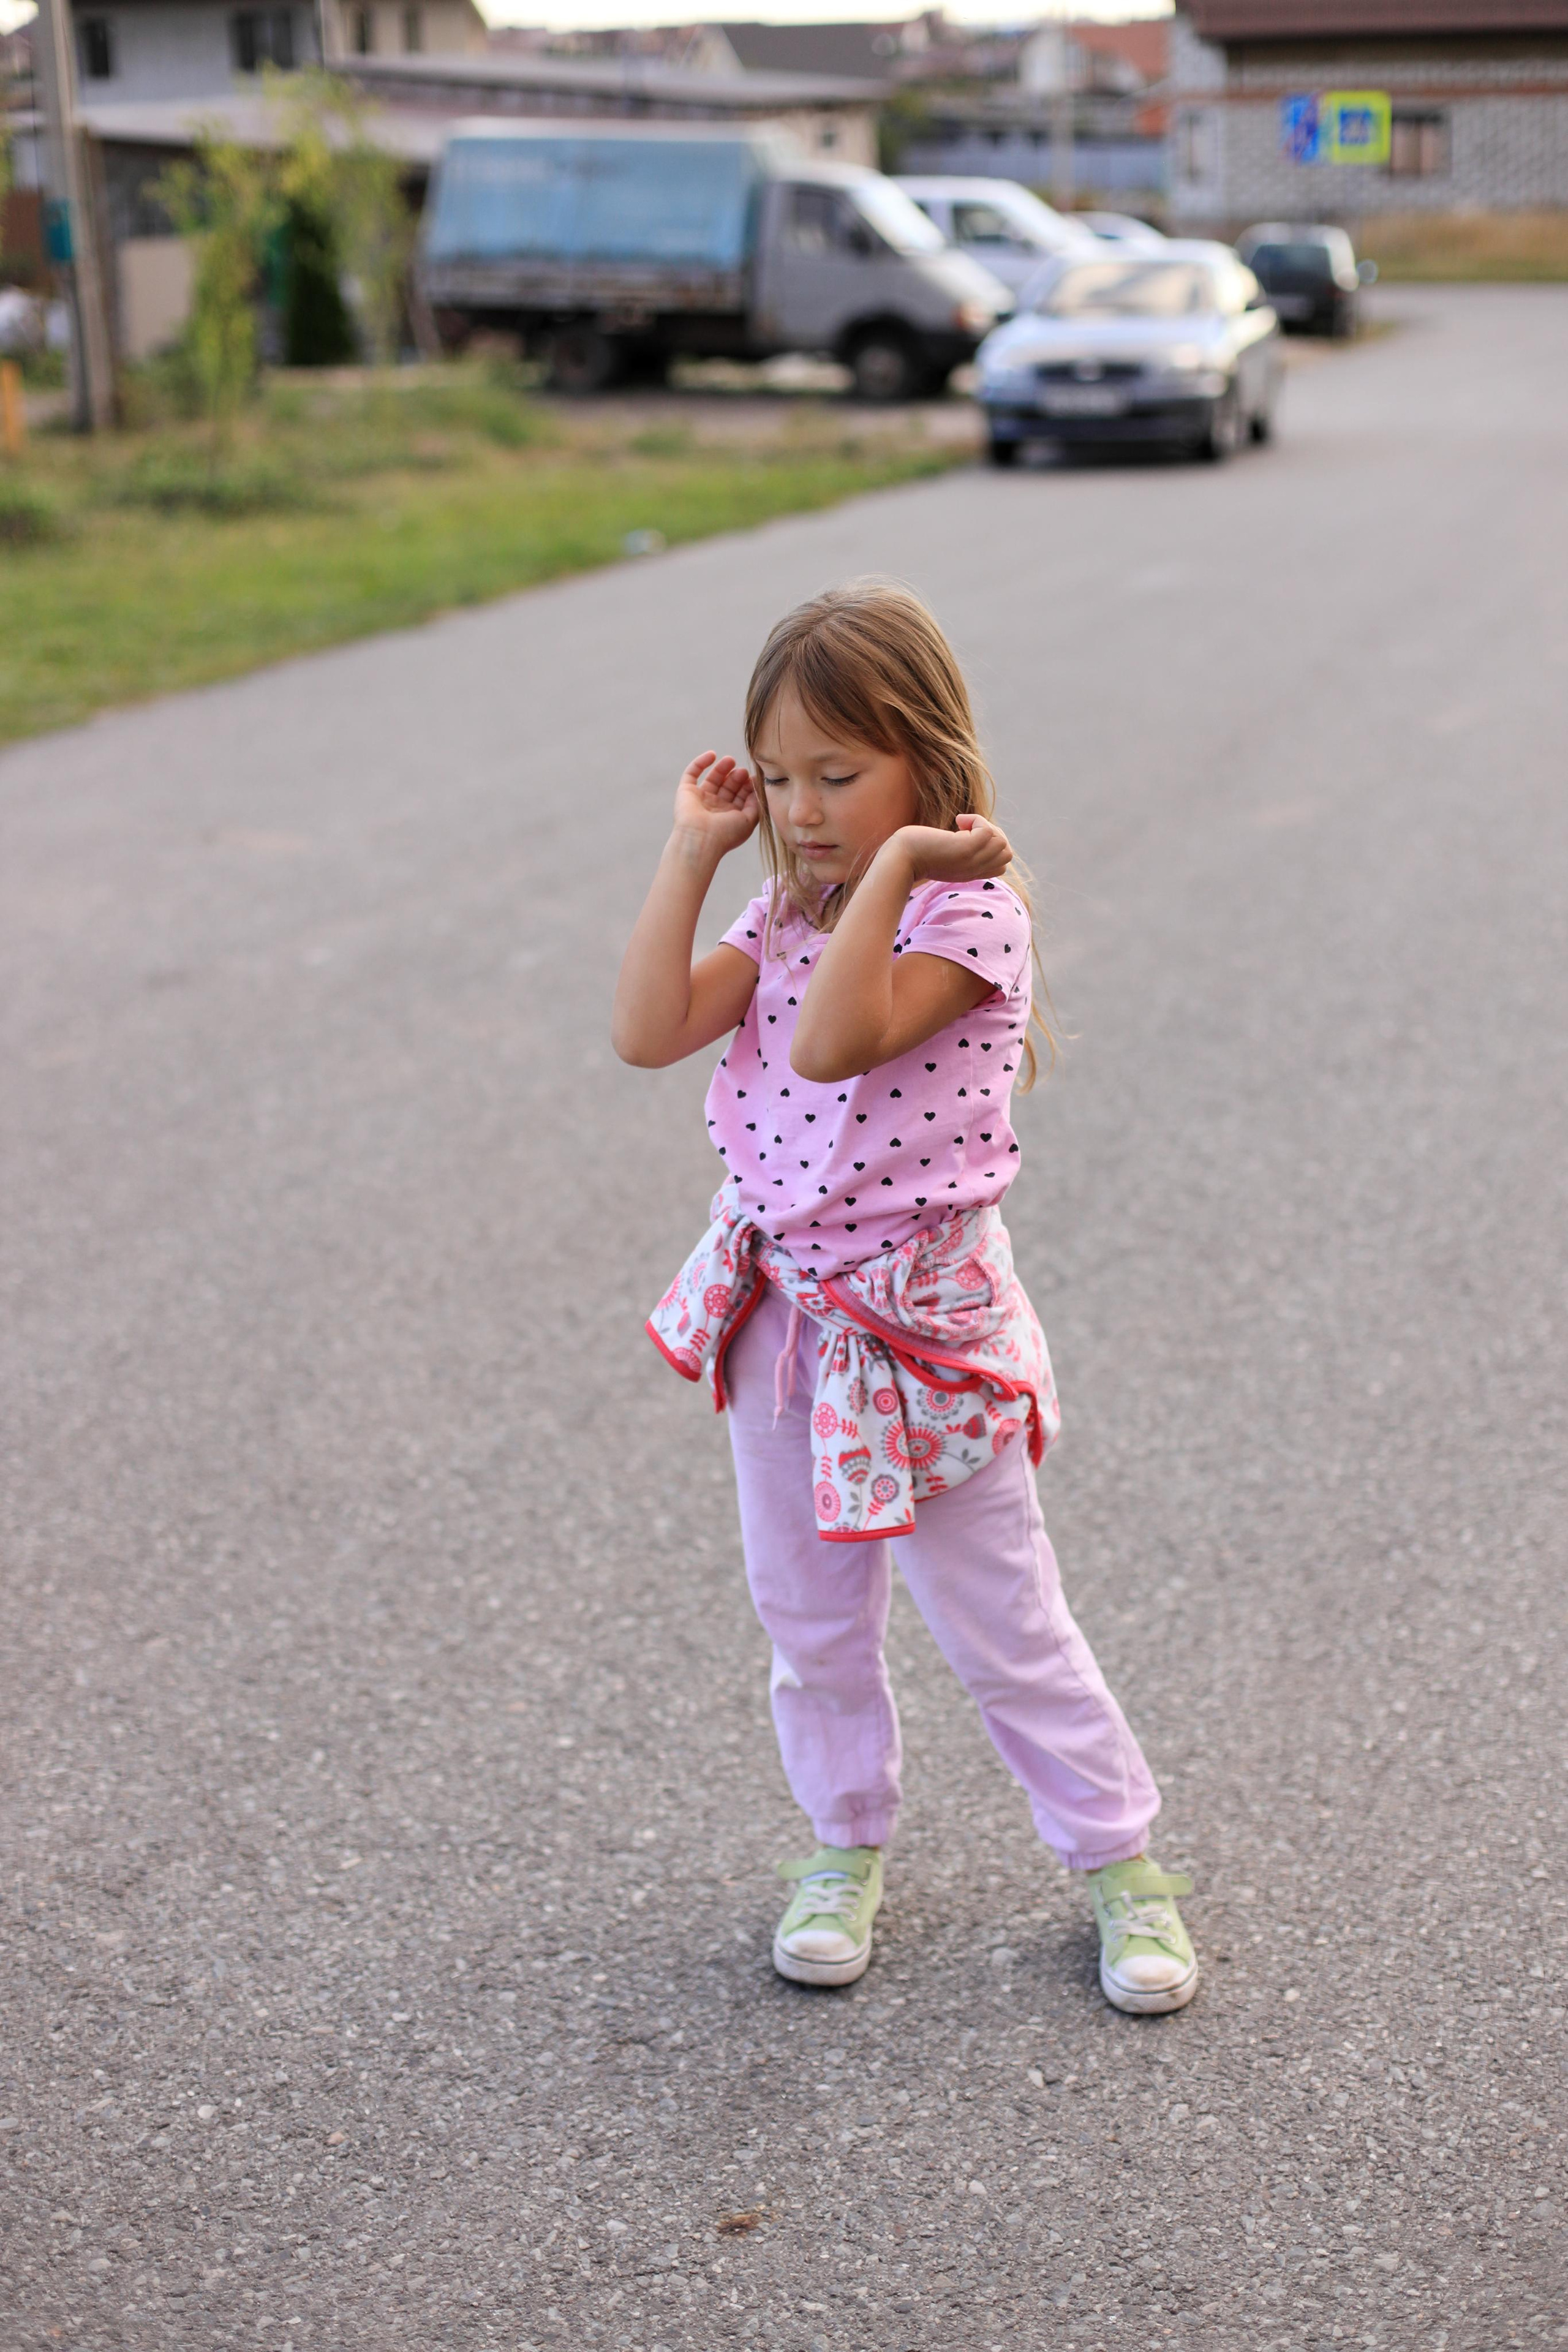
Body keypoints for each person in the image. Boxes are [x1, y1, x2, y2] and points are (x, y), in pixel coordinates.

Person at [612, 581, 1196, 2013]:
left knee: (1000, 1626)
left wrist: (889, 871)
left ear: (924, 767)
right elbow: (641, 1035)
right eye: (776, 778)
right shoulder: (780, 903)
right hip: (779, 1321)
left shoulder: (964, 915)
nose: (800, 810)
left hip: (922, 1338)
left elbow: (830, 1044)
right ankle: (841, 1842)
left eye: (837, 775)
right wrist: (693, 852)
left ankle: (1121, 1870)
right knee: (804, 1618)